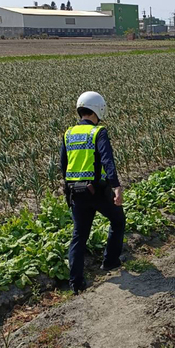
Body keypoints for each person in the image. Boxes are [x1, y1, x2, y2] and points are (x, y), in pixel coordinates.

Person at [60, 91, 125, 294]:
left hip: (75, 192)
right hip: (96, 191)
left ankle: (76, 283)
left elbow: (64, 164)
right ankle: (110, 261)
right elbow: (107, 161)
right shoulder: (98, 132)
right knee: (117, 220)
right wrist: (116, 187)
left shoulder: (68, 133)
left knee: (79, 235)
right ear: (98, 109)